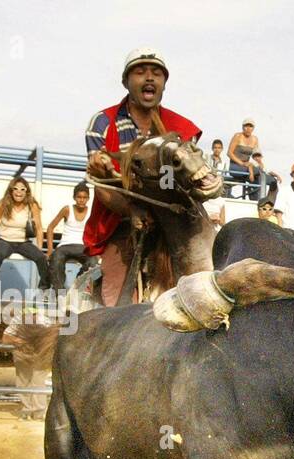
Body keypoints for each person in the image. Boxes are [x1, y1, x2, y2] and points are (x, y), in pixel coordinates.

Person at [84, 48, 201, 306]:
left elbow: (185, 184)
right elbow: (101, 185)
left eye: (156, 73)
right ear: (126, 82)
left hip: (176, 224)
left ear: (164, 83)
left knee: (206, 287)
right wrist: (133, 209)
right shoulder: (103, 123)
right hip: (123, 223)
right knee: (118, 304)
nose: (149, 78)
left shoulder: (181, 129)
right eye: (140, 72)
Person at [0, 177, 51, 293]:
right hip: (5, 240)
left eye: (22, 189)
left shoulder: (32, 205)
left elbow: (39, 228)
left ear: (26, 192)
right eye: (15, 189)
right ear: (11, 190)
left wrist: (39, 248)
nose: (19, 192)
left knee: (41, 258)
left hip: (23, 242)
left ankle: (44, 288)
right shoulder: (3, 203)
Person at [45, 181, 93, 292]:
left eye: (85, 197)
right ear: (74, 197)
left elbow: (97, 231)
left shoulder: (91, 211)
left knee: (93, 262)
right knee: (56, 260)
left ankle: (77, 287)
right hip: (65, 245)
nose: (82, 200)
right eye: (79, 197)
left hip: (83, 246)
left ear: (88, 198)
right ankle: (60, 292)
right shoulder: (67, 209)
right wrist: (50, 249)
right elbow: (50, 227)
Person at [227, 118, 259, 196]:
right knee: (254, 172)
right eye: (246, 126)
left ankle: (255, 200)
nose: (248, 129)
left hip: (247, 166)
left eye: (250, 126)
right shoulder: (237, 136)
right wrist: (243, 164)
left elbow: (257, 155)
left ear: (253, 128)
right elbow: (229, 153)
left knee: (259, 174)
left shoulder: (255, 139)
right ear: (242, 127)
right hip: (235, 165)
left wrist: (259, 163)